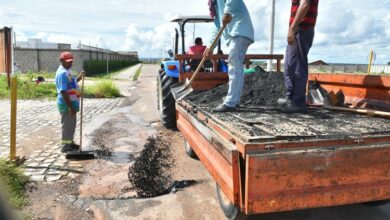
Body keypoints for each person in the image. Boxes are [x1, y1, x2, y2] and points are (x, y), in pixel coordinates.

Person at [207, 0, 254, 112]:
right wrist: (210, 46)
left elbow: (229, 6)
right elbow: (217, 26)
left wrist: (227, 12)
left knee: (234, 65)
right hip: (235, 34)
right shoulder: (215, 4)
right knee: (237, 67)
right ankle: (234, 99)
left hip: (240, 30)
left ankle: (230, 102)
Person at [278, 0, 319, 113]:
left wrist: (292, 28)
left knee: (296, 65)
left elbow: (305, 4)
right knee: (290, 65)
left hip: (301, 29)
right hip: (300, 29)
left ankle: (298, 101)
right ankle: (291, 97)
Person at [55, 51, 85, 152]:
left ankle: (70, 143)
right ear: (61, 61)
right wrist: (71, 107)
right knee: (67, 125)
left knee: (71, 125)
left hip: (72, 103)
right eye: (67, 61)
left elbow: (72, 83)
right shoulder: (62, 73)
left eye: (71, 61)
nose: (70, 63)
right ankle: (66, 147)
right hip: (67, 104)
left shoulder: (67, 70)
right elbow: (63, 91)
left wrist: (80, 77)